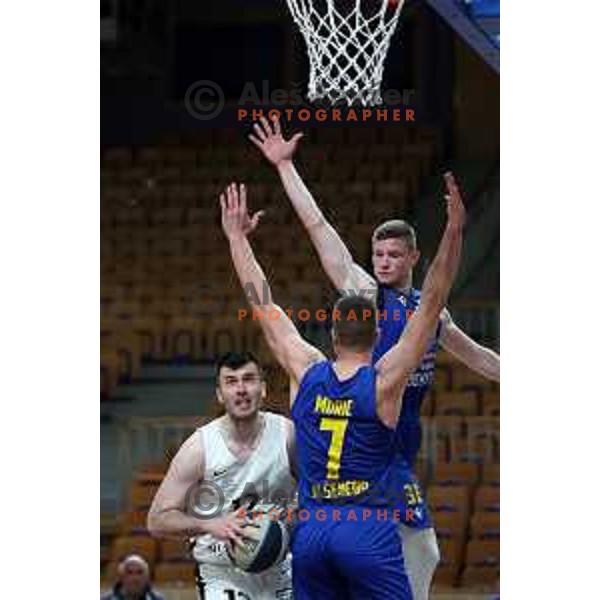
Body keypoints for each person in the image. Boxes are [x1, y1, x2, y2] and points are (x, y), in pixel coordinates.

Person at [249, 118, 500, 599]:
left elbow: (483, 361)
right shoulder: (365, 294)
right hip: (359, 430)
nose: (382, 262)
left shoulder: (433, 317)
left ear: (412, 258)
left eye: (391, 255)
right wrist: (285, 167)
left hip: (398, 439)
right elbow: (319, 228)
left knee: (405, 546)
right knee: (421, 548)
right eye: (377, 253)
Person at [220, 178, 464, 600]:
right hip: (366, 529)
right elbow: (433, 300)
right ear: (378, 336)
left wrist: (237, 239)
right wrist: (454, 230)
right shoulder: (387, 380)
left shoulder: (307, 369)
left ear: (332, 334)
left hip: (312, 531)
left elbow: (261, 301)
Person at [147, 351, 296, 600]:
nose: (241, 389)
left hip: (280, 567)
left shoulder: (288, 435)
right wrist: (208, 524)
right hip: (222, 572)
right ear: (219, 395)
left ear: (263, 388)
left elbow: (317, 493)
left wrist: (292, 517)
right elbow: (157, 520)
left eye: (249, 379)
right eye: (231, 381)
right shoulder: (199, 447)